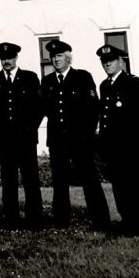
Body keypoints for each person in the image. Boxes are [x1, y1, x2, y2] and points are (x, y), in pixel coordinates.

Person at [41, 41, 110, 230]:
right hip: (57, 140)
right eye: (53, 56)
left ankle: (101, 221)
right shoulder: (47, 81)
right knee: (59, 182)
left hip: (80, 140)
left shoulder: (82, 77)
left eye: (60, 56)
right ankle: (61, 221)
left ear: (68, 58)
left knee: (89, 180)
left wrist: (87, 136)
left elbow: (94, 108)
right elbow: (44, 109)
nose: (56, 59)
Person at [96, 45, 139, 236]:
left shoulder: (133, 83)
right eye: (104, 62)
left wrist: (136, 141)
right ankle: (128, 222)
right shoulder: (104, 85)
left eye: (111, 61)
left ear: (120, 62)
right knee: (119, 187)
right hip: (112, 147)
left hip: (131, 147)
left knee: (135, 186)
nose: (107, 64)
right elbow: (105, 118)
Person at [0, 42, 43, 228]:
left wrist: (29, 129)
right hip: (5, 140)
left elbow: (38, 108)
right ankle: (10, 218)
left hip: (26, 138)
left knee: (30, 178)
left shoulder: (29, 78)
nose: (6, 61)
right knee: (8, 180)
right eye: (3, 58)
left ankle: (34, 218)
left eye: (9, 58)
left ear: (16, 58)